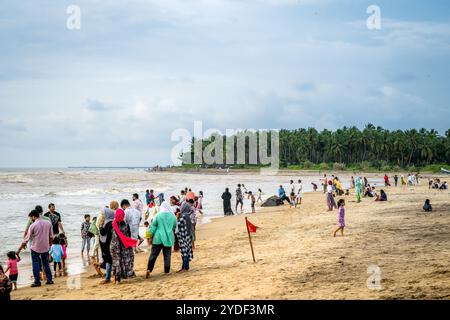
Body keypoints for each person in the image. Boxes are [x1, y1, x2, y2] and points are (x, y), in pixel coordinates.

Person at [17, 209, 54, 287]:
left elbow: (26, 239)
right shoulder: (48, 223)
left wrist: (18, 250)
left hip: (35, 248)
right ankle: (49, 280)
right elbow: (51, 237)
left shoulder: (33, 225)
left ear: (33, 216)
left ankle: (37, 281)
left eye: (31, 218)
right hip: (45, 247)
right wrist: (49, 244)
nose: (31, 219)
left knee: (35, 264)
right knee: (46, 263)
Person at [146, 201, 177, 278]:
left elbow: (153, 227)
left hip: (158, 238)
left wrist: (149, 236)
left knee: (153, 255)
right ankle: (166, 271)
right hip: (168, 238)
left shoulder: (158, 215)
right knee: (167, 255)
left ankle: (149, 269)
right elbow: (174, 227)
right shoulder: (173, 217)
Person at [110, 209, 137, 284]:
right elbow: (128, 235)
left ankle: (117, 278)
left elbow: (108, 237)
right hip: (124, 246)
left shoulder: (112, 224)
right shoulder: (125, 225)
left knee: (116, 262)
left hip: (114, 246)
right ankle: (124, 275)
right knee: (124, 261)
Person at [97, 202, 117, 284]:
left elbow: (102, 233)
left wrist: (101, 226)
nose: (102, 216)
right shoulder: (113, 221)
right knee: (111, 260)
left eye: (103, 214)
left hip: (107, 245)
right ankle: (111, 276)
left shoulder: (108, 223)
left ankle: (108, 278)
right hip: (111, 244)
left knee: (108, 260)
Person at [175, 202, 194, 273]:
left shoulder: (183, 216)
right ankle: (184, 267)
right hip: (187, 236)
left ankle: (185, 267)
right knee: (186, 251)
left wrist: (177, 217)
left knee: (184, 252)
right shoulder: (187, 215)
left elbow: (177, 225)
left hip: (183, 236)